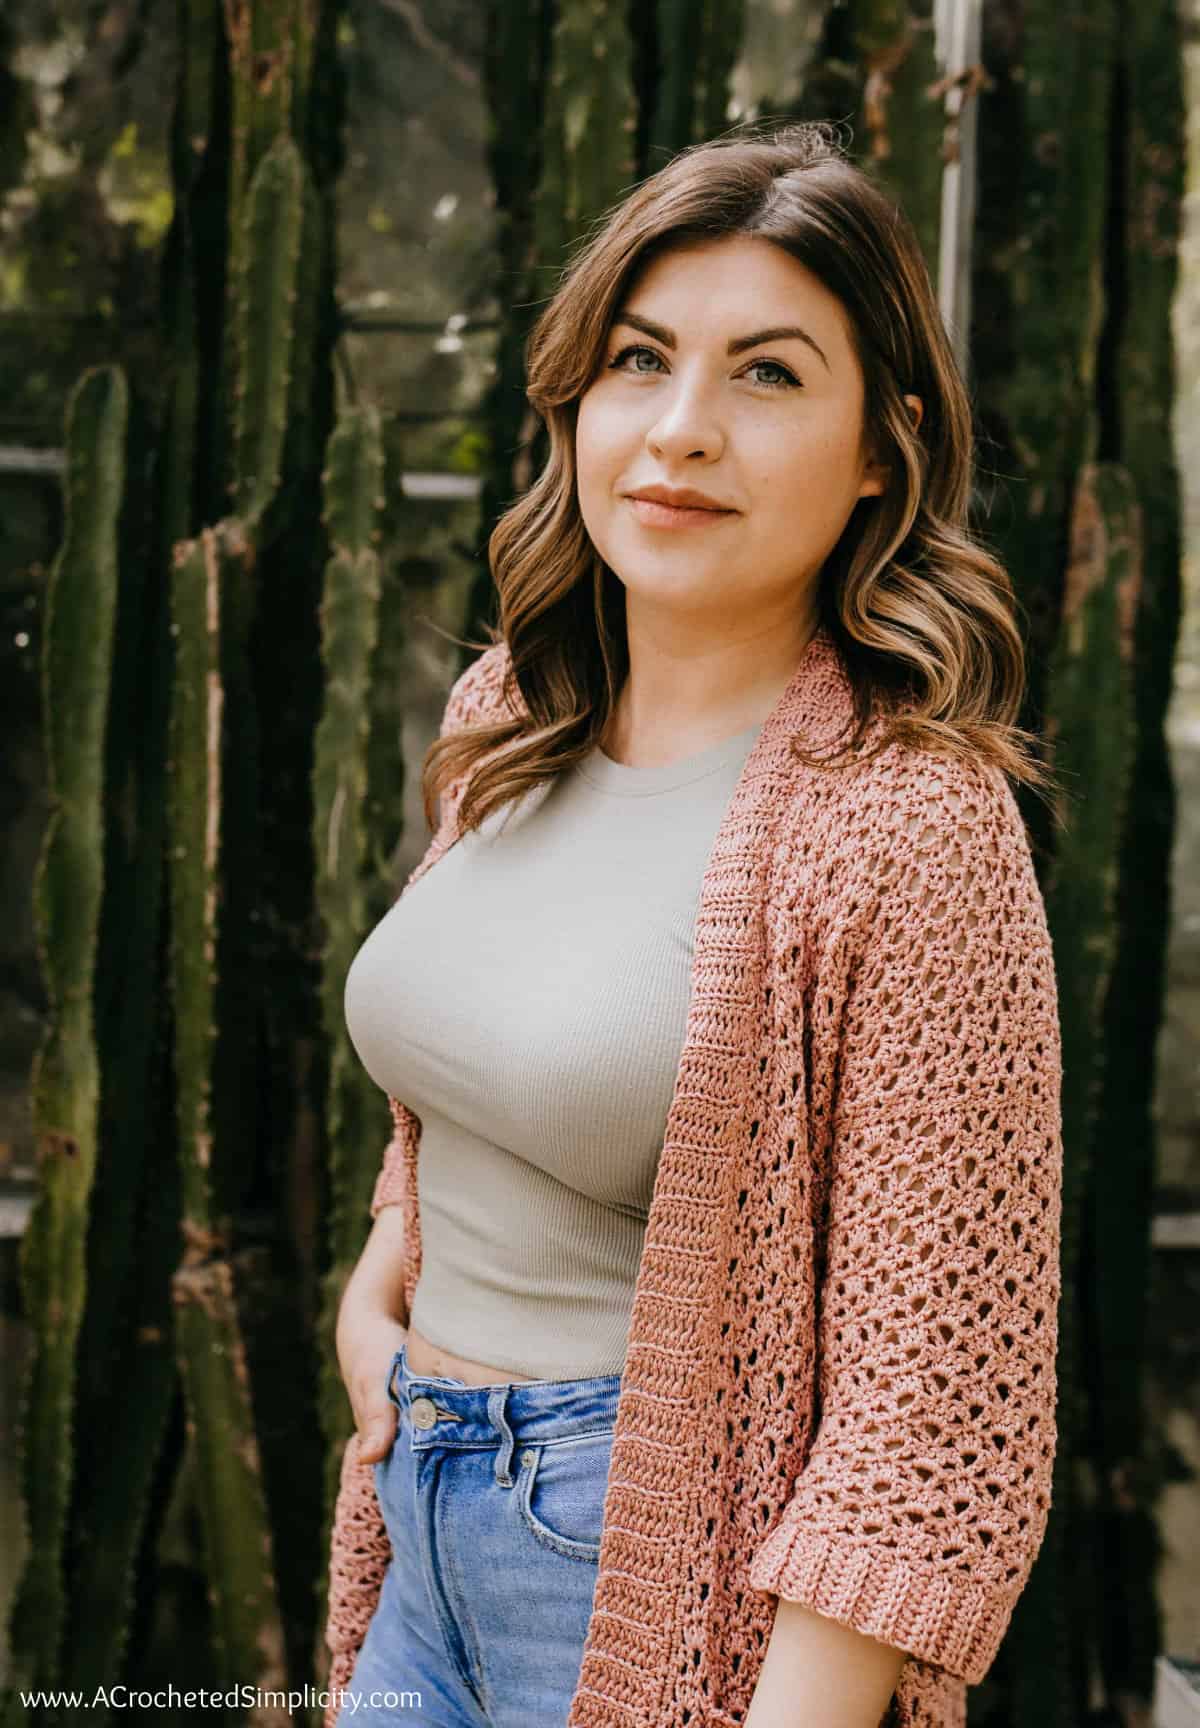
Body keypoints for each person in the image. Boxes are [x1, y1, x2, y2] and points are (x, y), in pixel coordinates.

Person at [324, 120, 1064, 1728]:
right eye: (641, 360)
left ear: (888, 445)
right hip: (415, 1526)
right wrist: (385, 1272)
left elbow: (927, 1423)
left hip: (653, 1576)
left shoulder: (913, 827)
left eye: (769, 376)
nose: (679, 431)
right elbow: (465, 1072)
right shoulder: (510, 713)